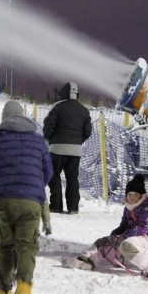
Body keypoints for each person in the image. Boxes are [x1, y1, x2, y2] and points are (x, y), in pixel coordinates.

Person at [0, 100, 54, 294]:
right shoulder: (39, 142)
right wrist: (33, 187)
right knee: (27, 245)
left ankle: (5, 292)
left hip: (3, 201)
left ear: (4, 119)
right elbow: (48, 172)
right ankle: (25, 285)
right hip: (31, 201)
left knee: (6, 247)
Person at [76, 174, 148, 277]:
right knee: (103, 241)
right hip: (131, 237)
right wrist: (116, 233)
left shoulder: (147, 206)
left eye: (135, 194)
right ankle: (88, 260)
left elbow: (144, 227)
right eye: (129, 194)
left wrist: (125, 234)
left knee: (126, 245)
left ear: (141, 196)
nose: (132, 197)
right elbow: (124, 224)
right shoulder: (128, 207)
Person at [43, 81, 92, 215]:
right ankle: (73, 208)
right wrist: (77, 141)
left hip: (56, 148)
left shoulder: (57, 107)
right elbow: (88, 132)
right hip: (75, 150)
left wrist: (51, 139)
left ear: (64, 93)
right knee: (72, 178)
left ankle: (56, 206)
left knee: (55, 176)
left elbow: (48, 126)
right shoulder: (84, 110)